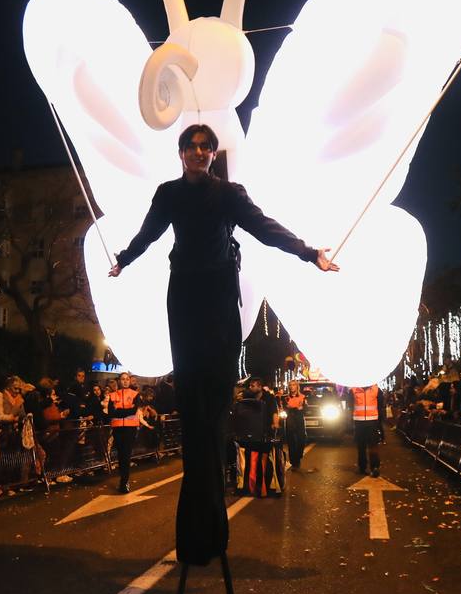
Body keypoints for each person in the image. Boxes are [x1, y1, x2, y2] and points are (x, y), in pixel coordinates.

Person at [108, 123, 338, 565]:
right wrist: (123, 260)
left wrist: (309, 253)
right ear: (180, 153)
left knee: (214, 402)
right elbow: (148, 234)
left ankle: (211, 516)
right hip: (183, 296)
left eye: (206, 147)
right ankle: (198, 517)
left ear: (213, 154)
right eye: (192, 146)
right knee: (192, 399)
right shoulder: (168, 194)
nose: (199, 152)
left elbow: (265, 228)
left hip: (218, 296)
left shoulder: (229, 194)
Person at [105, 372, 140, 492]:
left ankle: (124, 482)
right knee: (121, 455)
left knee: (126, 454)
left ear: (129, 381)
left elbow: (133, 411)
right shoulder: (113, 395)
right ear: (119, 381)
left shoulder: (135, 394)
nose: (125, 381)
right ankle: (123, 479)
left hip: (130, 428)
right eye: (123, 379)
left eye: (127, 379)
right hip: (118, 429)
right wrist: (126, 410)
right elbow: (111, 413)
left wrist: (119, 410)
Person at [350, 383, 386, 476]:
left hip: (372, 421)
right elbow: (350, 405)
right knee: (361, 446)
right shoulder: (354, 390)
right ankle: (362, 467)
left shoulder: (376, 390)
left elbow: (380, 406)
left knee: (373, 445)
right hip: (359, 422)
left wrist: (379, 422)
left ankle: (375, 467)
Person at [284, 380, 308, 470]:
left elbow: (305, 408)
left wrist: (301, 408)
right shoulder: (286, 397)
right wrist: (295, 408)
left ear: (297, 386)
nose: (291, 387)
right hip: (290, 420)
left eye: (293, 385)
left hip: (299, 419)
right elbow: (285, 407)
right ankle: (294, 462)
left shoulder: (302, 397)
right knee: (291, 441)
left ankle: (298, 455)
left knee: (301, 439)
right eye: (290, 385)